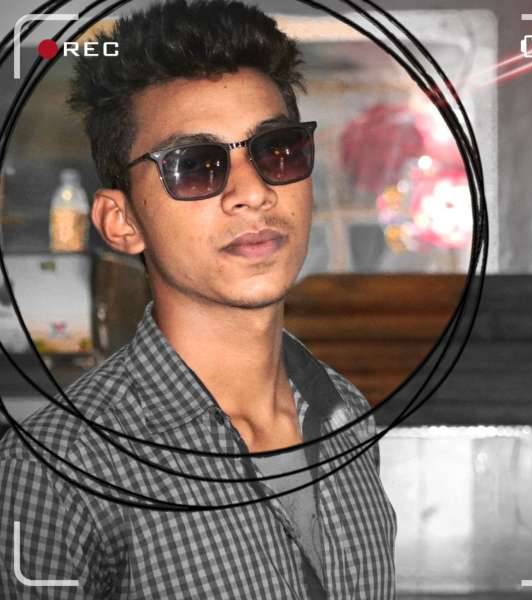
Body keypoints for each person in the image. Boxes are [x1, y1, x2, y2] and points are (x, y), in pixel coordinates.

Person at [0, 0, 397, 597]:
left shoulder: (343, 413)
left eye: (277, 149)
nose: (252, 192)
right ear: (121, 222)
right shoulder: (57, 469)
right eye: (194, 166)